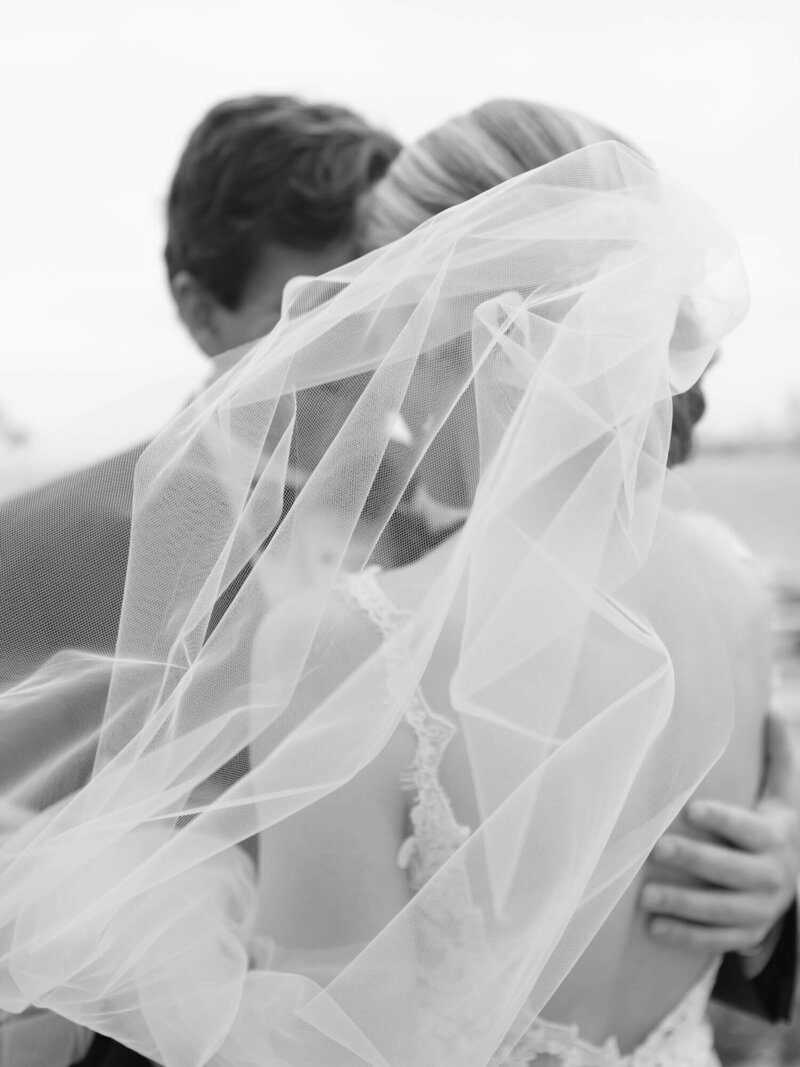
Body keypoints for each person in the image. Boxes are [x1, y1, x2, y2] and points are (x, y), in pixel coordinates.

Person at [0, 112, 787, 1066]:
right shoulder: (736, 588)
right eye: (332, 301)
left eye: (381, 294)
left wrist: (776, 897)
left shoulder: (359, 632)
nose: (354, 337)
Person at [0, 94, 400, 1067]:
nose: (365, 347)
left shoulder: (458, 511)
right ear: (194, 301)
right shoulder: (48, 540)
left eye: (385, 299)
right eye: (307, 310)